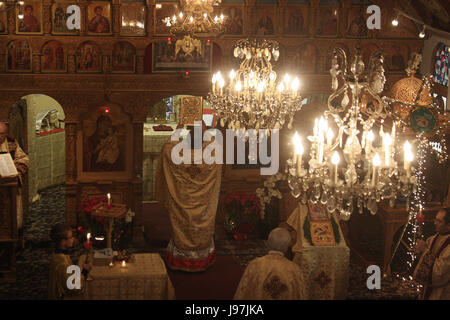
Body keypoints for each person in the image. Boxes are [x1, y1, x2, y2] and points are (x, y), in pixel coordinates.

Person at [156, 121, 222, 272]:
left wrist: (178, 130)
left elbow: (167, 148)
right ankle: (201, 259)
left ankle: (181, 260)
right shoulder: (210, 156)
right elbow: (216, 148)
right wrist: (205, 131)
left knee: (182, 225)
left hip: (182, 199)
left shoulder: (178, 156)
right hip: (203, 202)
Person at [234, 228, 307, 300]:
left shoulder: (254, 265)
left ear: (268, 243)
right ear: (287, 246)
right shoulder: (294, 269)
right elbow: (301, 295)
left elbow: (242, 294)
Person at [48, 223, 92, 300]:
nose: (73, 239)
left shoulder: (59, 254)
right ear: (63, 241)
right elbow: (74, 287)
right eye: (71, 237)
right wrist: (84, 272)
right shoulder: (62, 263)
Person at [413, 208, 450, 299]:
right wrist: (419, 252)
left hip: (442, 293)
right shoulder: (433, 238)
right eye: (435, 219)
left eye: (439, 221)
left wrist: (425, 251)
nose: (434, 223)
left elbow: (439, 272)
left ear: (448, 225)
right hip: (427, 290)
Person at [0, 122, 29, 233]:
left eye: (2, 134)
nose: (0, 137)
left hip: (10, 187)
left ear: (6, 133)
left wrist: (15, 171)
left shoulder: (12, 143)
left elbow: (24, 159)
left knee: (11, 215)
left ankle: (13, 238)